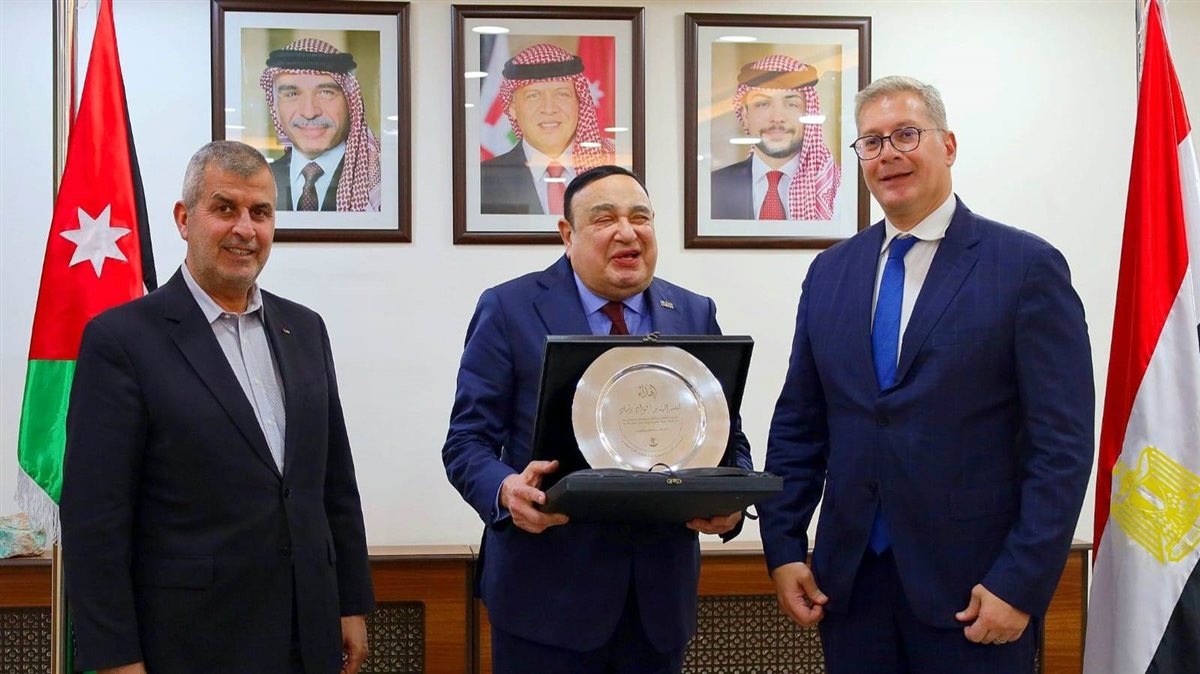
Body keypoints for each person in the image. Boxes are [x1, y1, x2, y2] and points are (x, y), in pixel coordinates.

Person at [758, 76, 1094, 674]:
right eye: (871, 142)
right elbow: (799, 424)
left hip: (977, 593)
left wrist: (1020, 581)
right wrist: (783, 548)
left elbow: (1061, 446)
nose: (888, 153)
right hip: (850, 588)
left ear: (949, 145)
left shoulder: (1025, 267)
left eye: (906, 134)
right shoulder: (830, 272)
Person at [61, 141, 375, 674]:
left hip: (309, 630)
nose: (245, 229)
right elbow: (95, 518)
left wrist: (351, 599)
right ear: (184, 219)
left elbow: (334, 484)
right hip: (192, 642)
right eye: (225, 208)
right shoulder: (122, 340)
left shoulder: (305, 329)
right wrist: (115, 657)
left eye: (261, 212)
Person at [443, 165, 753, 673]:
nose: (627, 232)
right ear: (567, 234)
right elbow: (466, 442)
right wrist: (505, 491)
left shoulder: (693, 312)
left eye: (640, 217)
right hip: (544, 603)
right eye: (605, 219)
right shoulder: (509, 308)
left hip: (658, 606)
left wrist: (732, 499)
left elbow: (725, 434)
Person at [480, 43, 615, 215]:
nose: (549, 108)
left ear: (579, 101)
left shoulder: (612, 169)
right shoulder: (483, 179)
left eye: (561, 94)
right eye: (533, 96)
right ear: (512, 107)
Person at [710, 55, 840, 221]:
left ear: (808, 113)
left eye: (792, 104)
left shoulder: (836, 187)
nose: (777, 118)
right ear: (745, 115)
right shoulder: (712, 187)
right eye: (762, 104)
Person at [259, 38, 382, 212]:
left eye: (326, 92)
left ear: (350, 104)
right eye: (292, 94)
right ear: (275, 107)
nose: (309, 112)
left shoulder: (381, 181)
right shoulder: (257, 182)